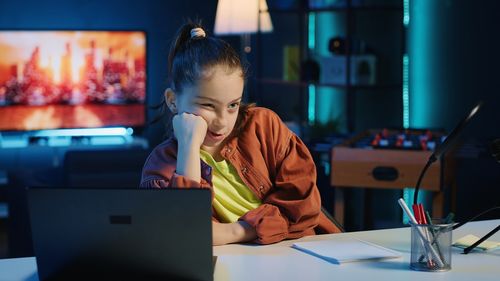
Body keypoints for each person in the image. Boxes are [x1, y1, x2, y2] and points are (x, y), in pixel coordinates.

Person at [140, 21, 342, 246]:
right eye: (207, 105)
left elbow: (301, 206)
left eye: (233, 105)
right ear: (173, 100)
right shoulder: (160, 165)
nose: (222, 121)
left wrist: (236, 231)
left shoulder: (264, 126)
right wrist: (188, 148)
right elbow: (184, 232)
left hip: (301, 252)